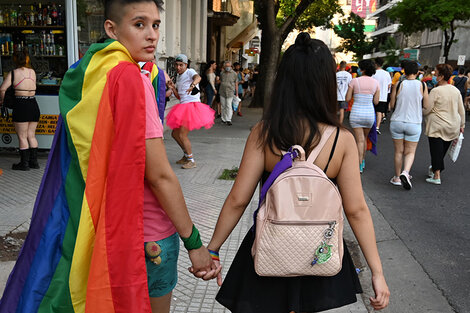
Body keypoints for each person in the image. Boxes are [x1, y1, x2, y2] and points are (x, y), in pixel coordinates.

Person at [0, 1, 220, 313]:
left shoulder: (87, 73)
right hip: (148, 234)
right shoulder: (132, 80)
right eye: (139, 24)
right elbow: (158, 175)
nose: (151, 35)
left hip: (104, 226)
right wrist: (195, 243)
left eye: (156, 25)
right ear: (111, 29)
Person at [194, 32, 389, 313]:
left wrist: (213, 249)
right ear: (326, 82)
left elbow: (238, 198)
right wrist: (377, 272)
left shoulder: (265, 132)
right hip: (318, 252)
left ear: (284, 80)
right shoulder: (342, 140)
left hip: (270, 245)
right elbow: (356, 209)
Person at [166, 53, 215, 169]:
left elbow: (198, 77)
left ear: (186, 65)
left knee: (182, 135)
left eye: (181, 65)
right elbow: (180, 97)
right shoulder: (179, 77)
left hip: (191, 108)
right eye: (176, 65)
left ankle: (191, 160)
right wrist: (172, 87)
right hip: (183, 106)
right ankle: (186, 156)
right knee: (174, 134)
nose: (178, 67)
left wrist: (193, 85)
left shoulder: (190, 72)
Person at [388, 60, 429, 189]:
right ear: (417, 72)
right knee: (410, 152)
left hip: (397, 121)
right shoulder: (422, 85)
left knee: (398, 151)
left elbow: (392, 105)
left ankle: (396, 177)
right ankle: (405, 172)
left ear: (404, 71)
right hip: (414, 122)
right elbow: (426, 105)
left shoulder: (399, 84)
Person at [424, 63, 465, 185]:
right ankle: (434, 169)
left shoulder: (436, 91)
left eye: (436, 73)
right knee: (441, 151)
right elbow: (461, 110)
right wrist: (462, 125)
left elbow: (428, 109)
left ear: (441, 76)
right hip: (453, 125)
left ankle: (437, 175)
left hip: (437, 125)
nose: (434, 75)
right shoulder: (456, 91)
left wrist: (421, 112)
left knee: (436, 150)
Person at [0, 49, 40, 171]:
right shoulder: (32, 72)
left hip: (21, 105)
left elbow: (2, 89)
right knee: (31, 135)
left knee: (22, 136)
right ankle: (34, 162)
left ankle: (24, 164)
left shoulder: (13, 73)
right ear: (27, 59)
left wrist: (2, 101)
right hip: (33, 104)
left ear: (15, 60)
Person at [346, 59, 380, 173]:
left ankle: (359, 163)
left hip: (356, 113)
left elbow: (347, 98)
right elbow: (376, 102)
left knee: (359, 140)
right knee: (364, 139)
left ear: (363, 69)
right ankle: (363, 161)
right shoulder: (376, 83)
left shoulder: (354, 81)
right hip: (369, 114)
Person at [372, 57, 392, 134]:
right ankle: (377, 127)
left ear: (376, 64)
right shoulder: (386, 73)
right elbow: (389, 85)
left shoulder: (373, 73)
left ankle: (372, 126)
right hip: (383, 96)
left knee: (373, 111)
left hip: (374, 96)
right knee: (379, 112)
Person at [219, 60, 238, 125]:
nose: (227, 67)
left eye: (229, 66)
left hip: (230, 91)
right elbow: (221, 80)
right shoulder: (222, 73)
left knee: (228, 105)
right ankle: (223, 119)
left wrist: (237, 93)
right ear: (224, 66)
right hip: (222, 91)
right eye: (226, 66)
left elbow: (236, 83)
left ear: (231, 66)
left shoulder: (234, 74)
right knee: (223, 105)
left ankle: (228, 119)